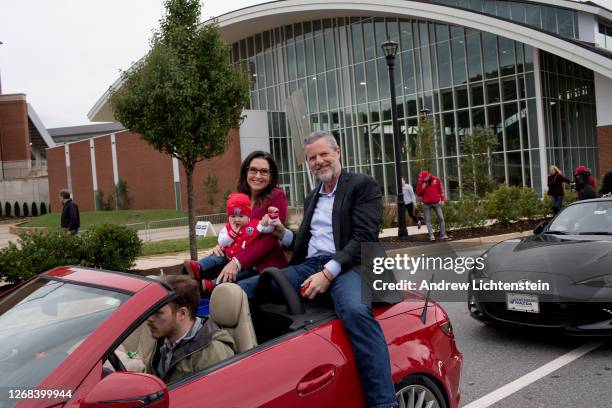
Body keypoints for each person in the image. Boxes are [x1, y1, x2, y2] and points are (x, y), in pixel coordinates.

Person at [239, 132, 397, 408]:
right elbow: (304, 242)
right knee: (246, 290)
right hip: (310, 265)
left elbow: (364, 237)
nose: (318, 161)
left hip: (350, 264)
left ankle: (384, 403)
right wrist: (281, 234)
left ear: (338, 153)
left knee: (356, 312)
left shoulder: (361, 185)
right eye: (312, 158)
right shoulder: (313, 195)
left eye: (324, 154)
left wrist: (328, 273)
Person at [184, 151, 288, 285]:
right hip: (233, 255)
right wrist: (222, 244)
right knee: (191, 281)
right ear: (246, 172)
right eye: (253, 170)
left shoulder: (277, 196)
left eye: (264, 171)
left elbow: (269, 239)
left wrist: (237, 262)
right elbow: (232, 227)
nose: (257, 175)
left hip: (262, 265)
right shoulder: (240, 198)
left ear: (271, 175)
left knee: (223, 289)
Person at [183, 192, 283, 296]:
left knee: (232, 275)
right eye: (233, 216)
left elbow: (268, 229)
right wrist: (231, 234)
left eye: (241, 216)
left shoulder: (254, 225)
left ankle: (212, 284)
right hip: (227, 254)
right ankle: (198, 266)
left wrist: (271, 218)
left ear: (248, 214)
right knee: (216, 256)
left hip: (245, 262)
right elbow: (222, 241)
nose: (236, 219)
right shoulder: (227, 228)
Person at [146, 275, 236, 383]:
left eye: (158, 313)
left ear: (182, 313)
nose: (149, 319)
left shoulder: (212, 353)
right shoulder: (163, 340)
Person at [415, 170, 448, 241]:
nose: (423, 179)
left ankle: (443, 235)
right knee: (428, 220)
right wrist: (422, 188)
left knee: (441, 218)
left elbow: (441, 189)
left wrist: (442, 199)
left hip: (436, 203)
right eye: (422, 178)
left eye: (424, 178)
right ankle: (431, 236)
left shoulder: (436, 179)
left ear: (427, 176)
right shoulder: (421, 181)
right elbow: (418, 193)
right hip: (426, 204)